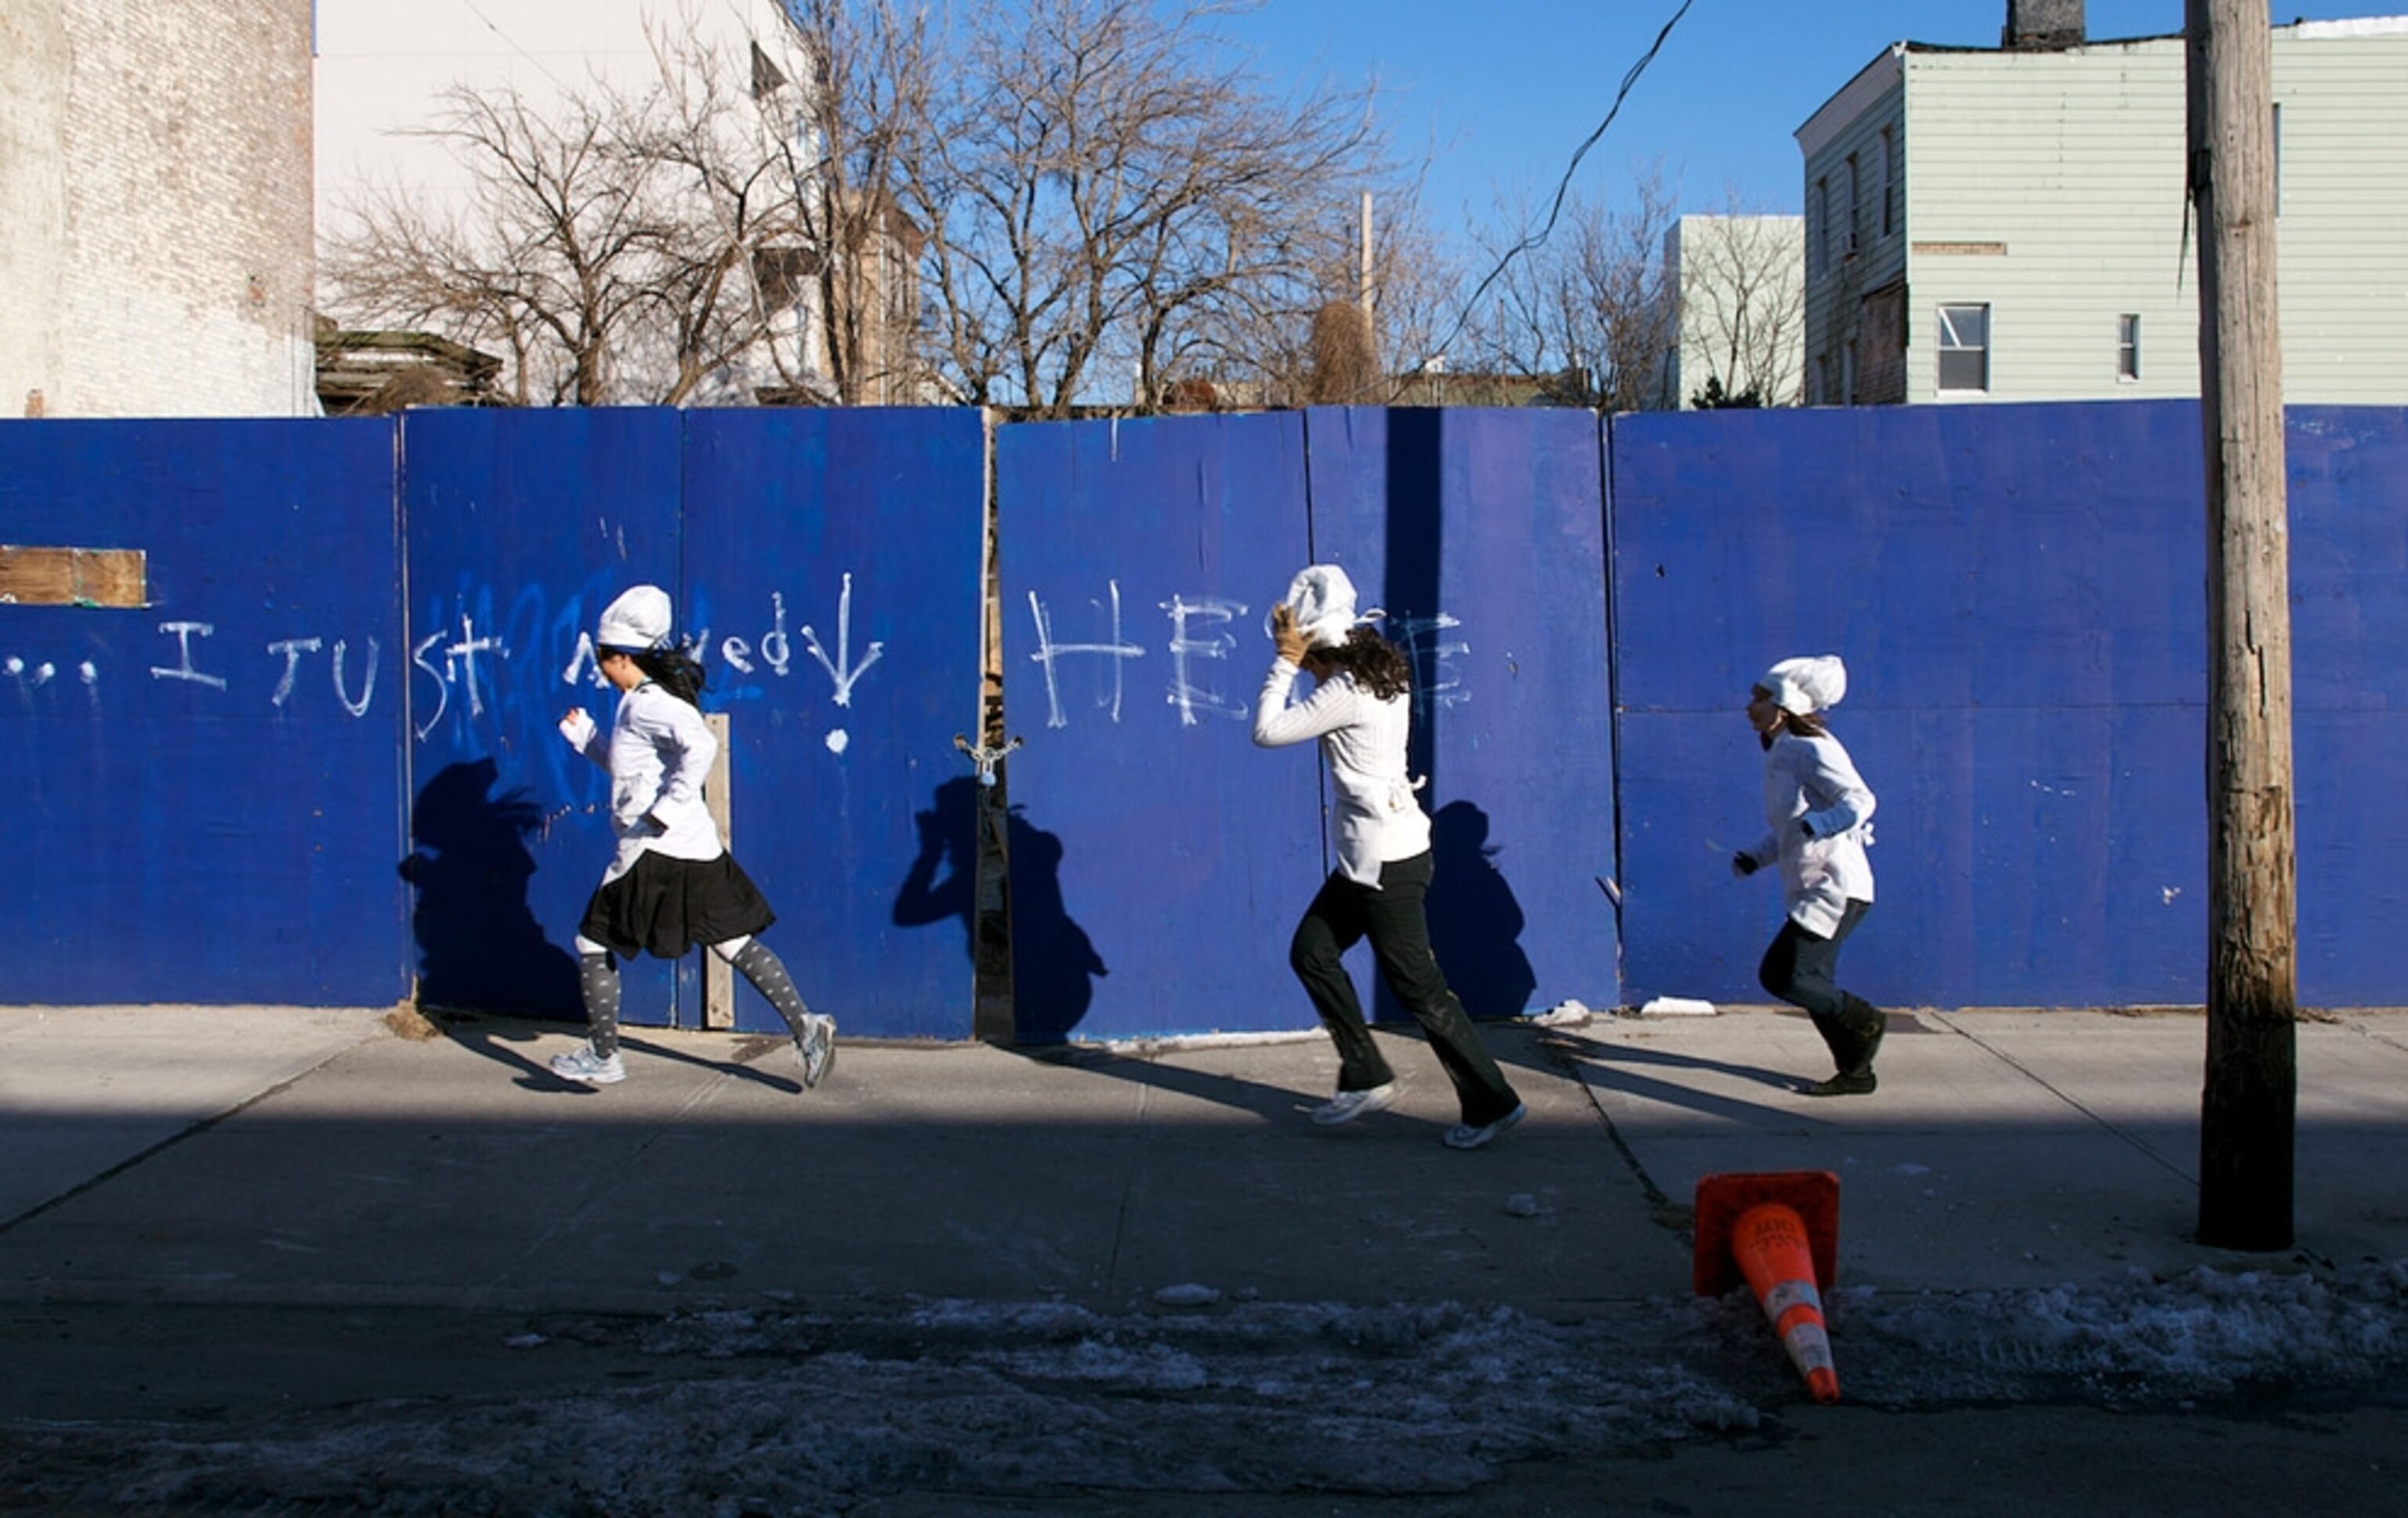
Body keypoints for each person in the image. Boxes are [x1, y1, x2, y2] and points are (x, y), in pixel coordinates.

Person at [1252, 565, 1525, 1149]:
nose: (1299, 664)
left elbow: (1268, 730)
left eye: (1303, 654)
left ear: (1316, 647)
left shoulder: (1346, 691)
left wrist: (1282, 661)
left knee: (1422, 989)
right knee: (1313, 952)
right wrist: (1301, 649)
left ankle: (1492, 1102)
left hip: (1387, 864)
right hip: (1368, 859)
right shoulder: (1376, 671)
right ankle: (1366, 1073)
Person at [549, 584, 835, 1089]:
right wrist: (587, 738)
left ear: (620, 658)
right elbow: (630, 769)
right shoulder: (638, 703)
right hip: (693, 846)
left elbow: (701, 744)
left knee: (591, 940)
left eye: (602, 660)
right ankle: (808, 1028)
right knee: (732, 942)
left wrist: (668, 805)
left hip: (652, 850)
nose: (599, 668)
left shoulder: (647, 704)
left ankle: (604, 1055)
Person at [1731, 655, 1885, 1096]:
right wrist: (1754, 858)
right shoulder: (1782, 752)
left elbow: (1860, 800)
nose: (1748, 707)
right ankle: (1856, 1073)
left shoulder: (1812, 747)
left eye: (1757, 699)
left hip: (1837, 885)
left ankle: (1866, 1020)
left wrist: (1822, 825)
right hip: (1813, 885)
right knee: (1813, 983)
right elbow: (1789, 829)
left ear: (1783, 705)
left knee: (1783, 976)